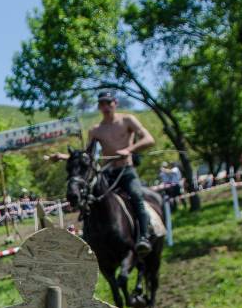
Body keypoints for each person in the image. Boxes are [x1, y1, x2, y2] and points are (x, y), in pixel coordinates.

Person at [47, 90, 162, 257]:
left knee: (136, 195)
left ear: (115, 103)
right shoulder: (96, 130)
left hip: (126, 171)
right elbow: (86, 157)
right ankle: (91, 240)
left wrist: (129, 150)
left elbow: (149, 139)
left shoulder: (127, 120)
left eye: (108, 102)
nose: (105, 106)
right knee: (90, 200)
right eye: (102, 103)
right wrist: (62, 157)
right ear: (99, 106)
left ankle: (143, 236)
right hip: (106, 173)